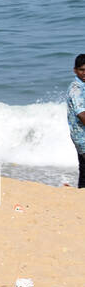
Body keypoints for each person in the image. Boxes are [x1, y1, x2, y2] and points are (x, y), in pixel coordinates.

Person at [66, 54, 85, 188]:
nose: (84, 73)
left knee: (84, 170)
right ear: (75, 70)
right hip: (82, 136)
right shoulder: (76, 89)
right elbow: (81, 114)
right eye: (81, 70)